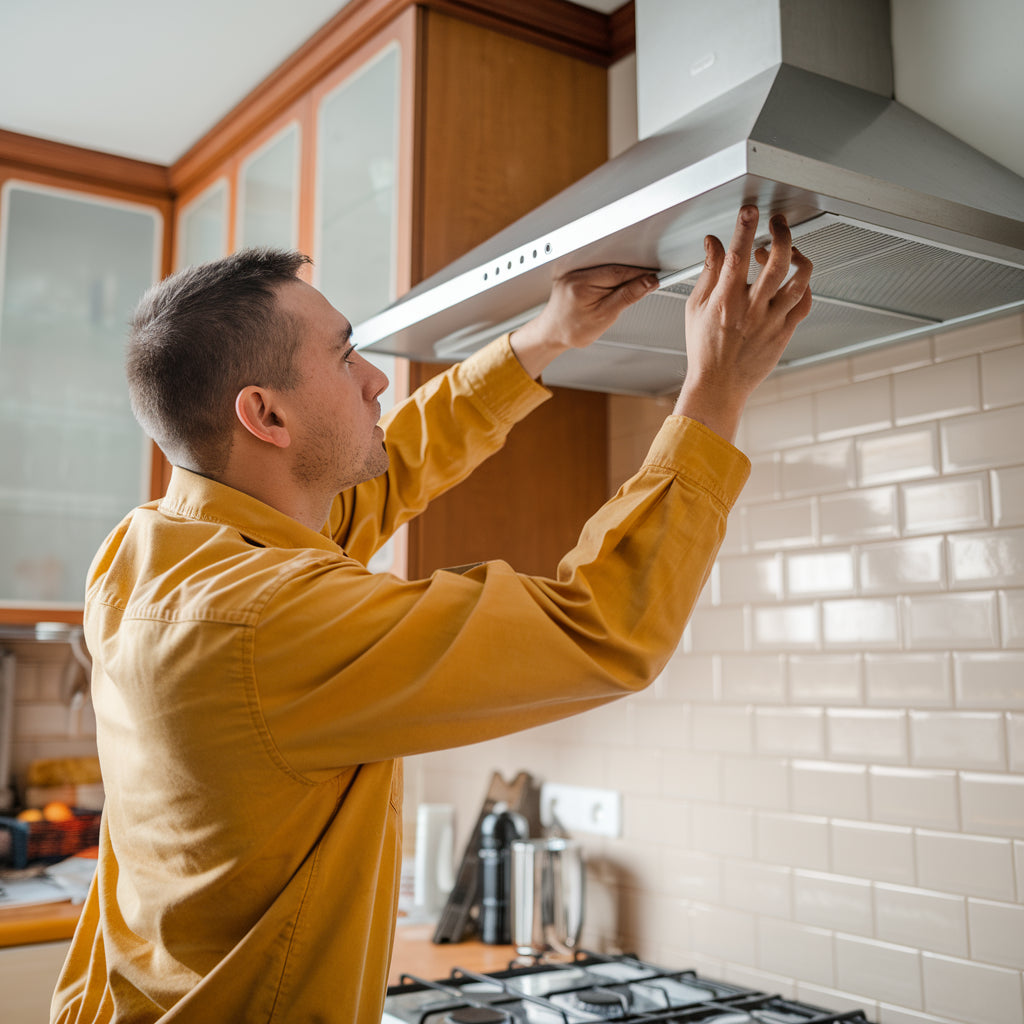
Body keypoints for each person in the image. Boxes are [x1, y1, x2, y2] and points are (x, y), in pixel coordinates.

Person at [51, 205, 811, 1023]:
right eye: (346, 358)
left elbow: (387, 472)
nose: (376, 378)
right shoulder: (261, 621)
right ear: (265, 416)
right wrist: (716, 390)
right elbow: (602, 629)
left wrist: (546, 336)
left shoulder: (154, 550)